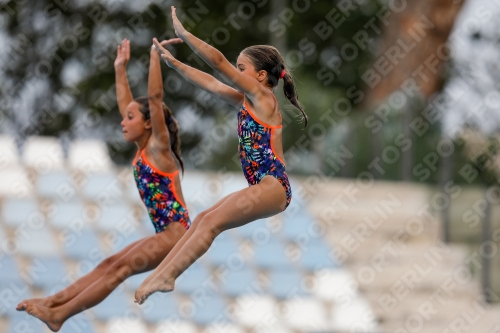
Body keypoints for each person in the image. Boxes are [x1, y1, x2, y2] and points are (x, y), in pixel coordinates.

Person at [134, 6, 307, 305]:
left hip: (273, 184)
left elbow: (217, 62)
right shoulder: (247, 100)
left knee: (211, 223)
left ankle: (167, 276)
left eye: (241, 69)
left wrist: (185, 35)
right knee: (203, 218)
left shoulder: (263, 97)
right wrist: (174, 65)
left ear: (261, 76)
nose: (236, 73)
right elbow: (212, 82)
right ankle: (162, 273)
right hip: (263, 185)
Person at [16, 38, 189, 332]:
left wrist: (154, 57)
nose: (123, 122)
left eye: (131, 118)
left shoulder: (160, 148)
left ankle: (60, 315)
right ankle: (53, 302)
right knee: (108, 263)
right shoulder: (143, 148)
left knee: (118, 270)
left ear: (149, 123)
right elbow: (128, 103)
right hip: (166, 232)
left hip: (176, 234)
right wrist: (120, 68)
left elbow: (155, 99)